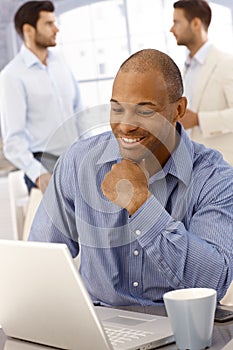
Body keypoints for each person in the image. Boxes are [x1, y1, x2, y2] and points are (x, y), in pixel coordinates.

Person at [29, 48, 233, 306]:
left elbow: (213, 282)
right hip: (99, 328)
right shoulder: (79, 161)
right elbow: (41, 260)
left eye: (145, 112)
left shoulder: (215, 178)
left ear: (178, 109)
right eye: (117, 109)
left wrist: (141, 204)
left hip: (180, 328)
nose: (126, 125)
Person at [0, 1, 82, 193]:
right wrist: (38, 174)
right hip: (44, 167)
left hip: (76, 161)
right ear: (28, 30)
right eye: (49, 24)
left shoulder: (61, 61)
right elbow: (13, 141)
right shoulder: (12, 76)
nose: (56, 29)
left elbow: (79, 112)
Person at [170, 0, 233, 165]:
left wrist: (199, 119)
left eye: (177, 22)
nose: (171, 29)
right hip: (196, 167)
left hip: (224, 168)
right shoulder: (186, 68)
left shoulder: (226, 63)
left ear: (196, 23)